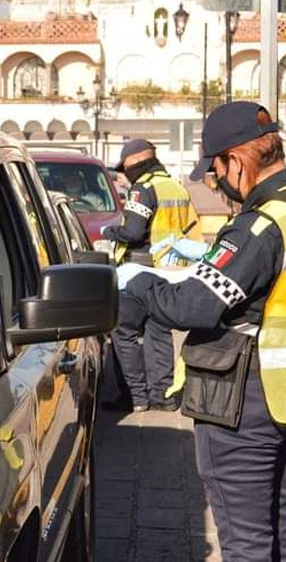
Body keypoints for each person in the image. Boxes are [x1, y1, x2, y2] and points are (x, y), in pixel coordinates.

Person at [118, 102, 286, 562]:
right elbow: (264, 288)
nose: (216, 183)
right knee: (283, 529)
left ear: (238, 161)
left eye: (217, 170)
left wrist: (139, 282)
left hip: (245, 404)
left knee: (246, 545)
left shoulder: (257, 226)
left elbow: (194, 306)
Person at [103, 138, 199, 412]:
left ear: (134, 164)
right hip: (171, 273)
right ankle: (164, 396)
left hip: (139, 272)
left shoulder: (143, 189)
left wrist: (110, 232)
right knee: (159, 333)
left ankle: (135, 397)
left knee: (124, 332)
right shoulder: (177, 187)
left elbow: (133, 232)